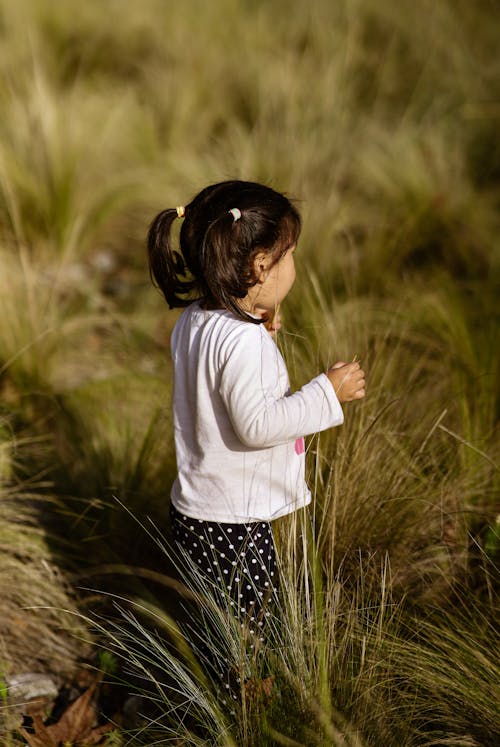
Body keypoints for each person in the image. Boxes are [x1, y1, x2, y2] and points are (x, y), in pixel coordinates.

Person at [147, 180, 365, 661]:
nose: (293, 267)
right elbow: (258, 425)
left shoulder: (196, 318)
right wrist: (327, 391)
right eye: (288, 257)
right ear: (260, 265)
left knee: (216, 626)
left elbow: (218, 371)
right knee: (252, 636)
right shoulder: (243, 341)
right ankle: (245, 711)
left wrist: (258, 315)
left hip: (198, 511)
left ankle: (217, 696)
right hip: (234, 522)